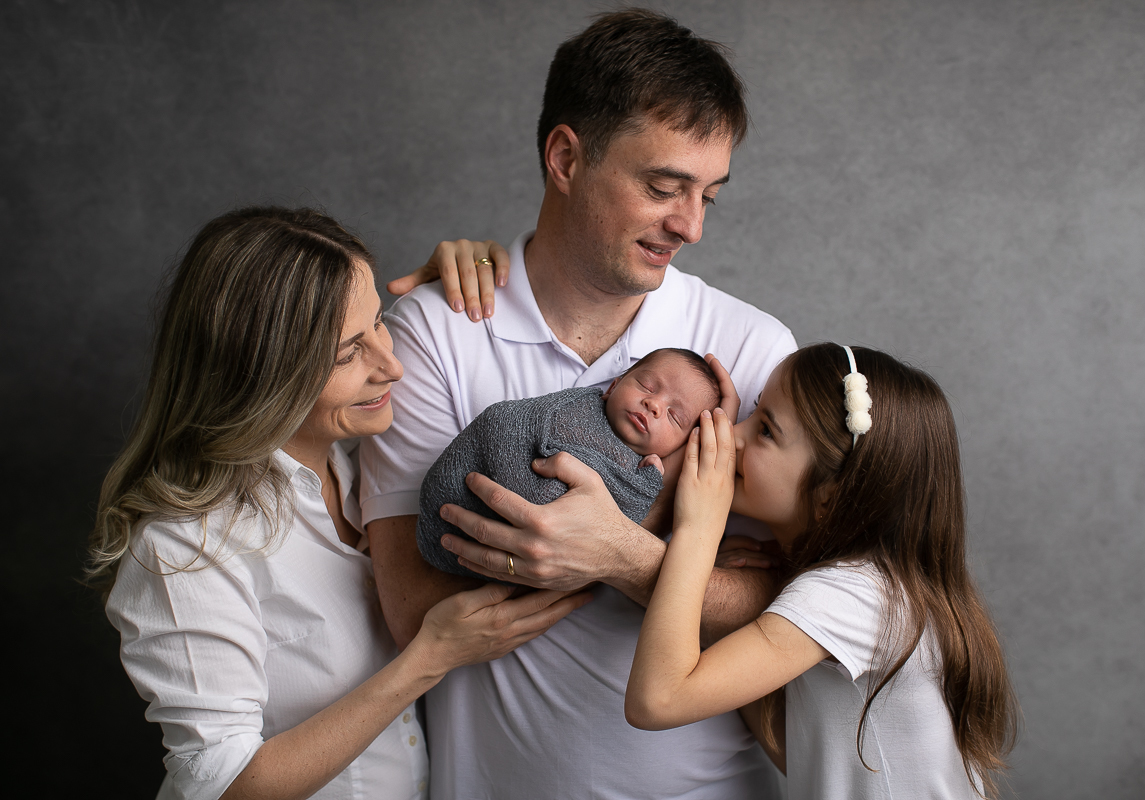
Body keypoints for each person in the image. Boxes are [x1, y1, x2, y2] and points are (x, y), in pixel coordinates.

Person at [360, 9, 797, 799]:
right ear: (565, 157)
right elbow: (411, 607)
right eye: (663, 187)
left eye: (709, 195)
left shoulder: (753, 348)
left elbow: (799, 610)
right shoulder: (432, 333)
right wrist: (668, 563)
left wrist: (624, 557)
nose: (690, 226)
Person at [86, 207, 590, 800]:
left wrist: (465, 278)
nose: (393, 365)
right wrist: (427, 660)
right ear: (261, 370)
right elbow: (220, 787)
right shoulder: (183, 545)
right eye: (350, 353)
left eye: (381, 322)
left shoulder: (360, 472)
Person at [626, 344, 1020, 798]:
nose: (732, 434)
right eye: (752, 415)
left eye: (766, 431)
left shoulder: (854, 593)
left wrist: (698, 527)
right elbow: (803, 755)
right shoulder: (874, 586)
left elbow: (656, 701)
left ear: (830, 495)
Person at [416, 348, 720, 579]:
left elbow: (620, 526)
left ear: (681, 446)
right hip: (462, 492)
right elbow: (503, 423)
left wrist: (648, 482)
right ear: (613, 386)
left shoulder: (641, 477)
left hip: (520, 562)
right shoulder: (575, 408)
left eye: (674, 416)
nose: (653, 405)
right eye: (647, 386)